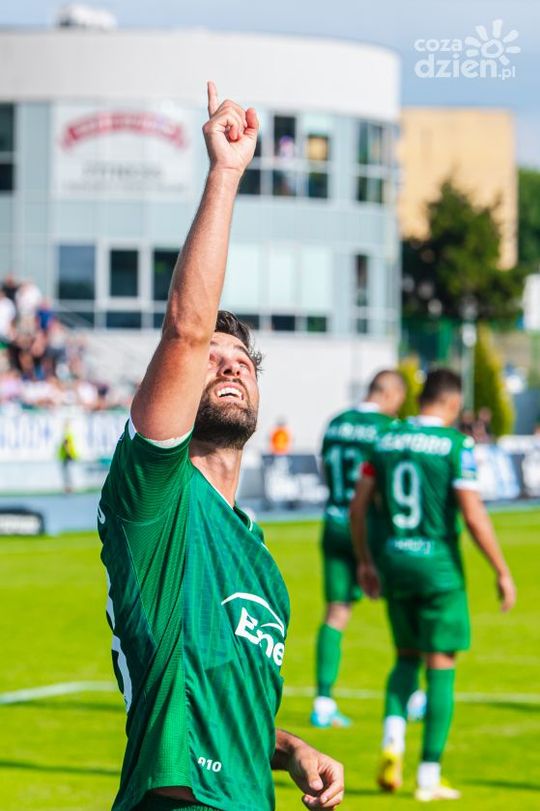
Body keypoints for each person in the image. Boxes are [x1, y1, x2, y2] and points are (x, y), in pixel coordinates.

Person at [97, 82, 344, 811]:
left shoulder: (264, 565)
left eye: (242, 360)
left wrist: (289, 749)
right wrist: (226, 174)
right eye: (213, 358)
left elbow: (231, 711)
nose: (229, 365)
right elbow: (184, 328)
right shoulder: (155, 500)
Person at [350, 368, 516, 802]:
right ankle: (428, 775)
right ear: (453, 402)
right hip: (438, 569)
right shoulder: (455, 444)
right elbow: (473, 514)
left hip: (393, 562)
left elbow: (358, 507)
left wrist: (366, 561)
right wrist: (501, 569)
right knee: (440, 664)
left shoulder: (384, 440)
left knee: (405, 658)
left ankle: (392, 742)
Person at [311, 371, 406, 728]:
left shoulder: (336, 422)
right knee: (400, 604)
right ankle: (410, 691)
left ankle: (323, 700)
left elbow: (325, 468)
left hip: (334, 522)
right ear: (391, 394)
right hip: (370, 526)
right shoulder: (388, 428)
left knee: (336, 611)